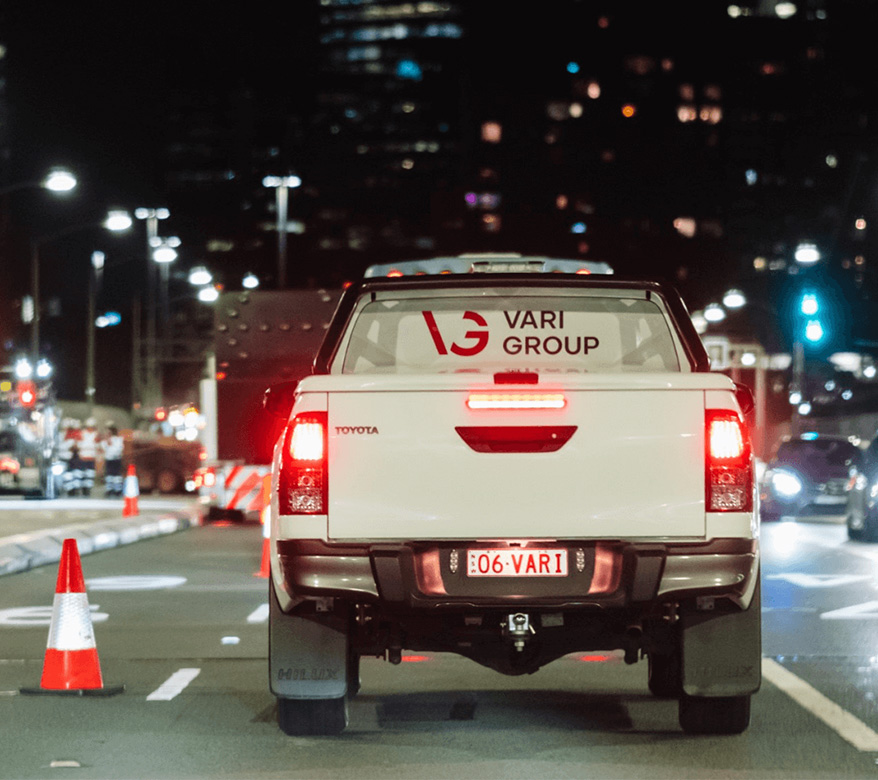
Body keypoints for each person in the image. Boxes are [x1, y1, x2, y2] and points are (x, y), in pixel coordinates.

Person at [60, 419, 82, 496]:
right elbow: (61, 446)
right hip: (64, 457)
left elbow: (75, 445)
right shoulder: (60, 435)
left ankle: (74, 489)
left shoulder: (73, 435)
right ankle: (70, 489)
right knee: (67, 474)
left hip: (71, 457)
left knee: (72, 473)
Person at [101, 423, 125, 497]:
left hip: (116, 459)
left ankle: (117, 490)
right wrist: (107, 442)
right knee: (109, 474)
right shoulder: (105, 441)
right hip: (109, 459)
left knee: (117, 475)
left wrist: (111, 445)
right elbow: (104, 447)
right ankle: (109, 489)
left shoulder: (118, 439)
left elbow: (119, 449)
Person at [78, 418, 100, 496]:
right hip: (83, 456)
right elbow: (79, 443)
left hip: (91, 456)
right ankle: (83, 488)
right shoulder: (82, 433)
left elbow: (98, 445)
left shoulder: (96, 434)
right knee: (83, 473)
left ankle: (88, 489)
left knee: (90, 474)